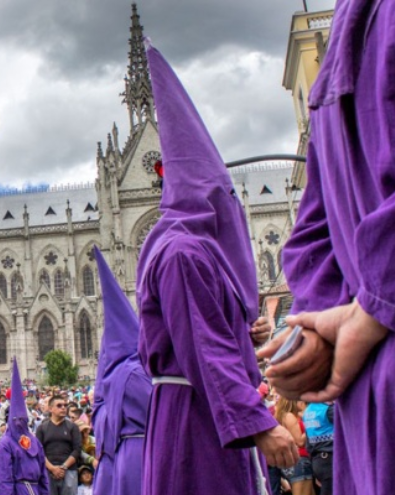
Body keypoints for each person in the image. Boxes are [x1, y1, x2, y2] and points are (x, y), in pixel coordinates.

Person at [136, 42, 298, 495]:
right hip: (197, 418)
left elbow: (192, 329)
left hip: (204, 409)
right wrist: (259, 424)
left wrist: (241, 332)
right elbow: (204, 348)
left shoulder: (181, 246)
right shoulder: (184, 251)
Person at [256, 1, 395, 493]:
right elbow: (314, 230)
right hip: (363, 376)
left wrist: (370, 306)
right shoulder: (334, 64)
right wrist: (314, 324)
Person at [91, 246, 151, 495]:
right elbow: (156, 410)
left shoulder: (109, 380)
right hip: (142, 456)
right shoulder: (135, 374)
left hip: (114, 461)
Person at [0, 359, 49, 495]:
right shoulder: (5, 443)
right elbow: (4, 478)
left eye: (22, 419)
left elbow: (43, 473)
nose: (19, 422)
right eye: (16, 420)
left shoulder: (34, 441)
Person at [35, 395, 80, 495]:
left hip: (69, 471)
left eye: (65, 405)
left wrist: (63, 467)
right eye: (59, 405)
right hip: (48, 472)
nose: (63, 408)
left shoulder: (72, 427)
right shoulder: (42, 428)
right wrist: (52, 468)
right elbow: (39, 451)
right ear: (51, 409)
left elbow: (77, 450)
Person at [274, 399, 314, 495]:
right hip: (300, 460)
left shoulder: (281, 416)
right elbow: (299, 441)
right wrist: (310, 426)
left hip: (292, 461)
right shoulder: (289, 416)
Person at [302, 402, 334, 495]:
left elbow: (308, 444)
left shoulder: (308, 411)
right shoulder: (328, 410)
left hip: (318, 460)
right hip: (330, 459)